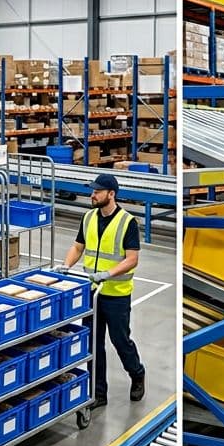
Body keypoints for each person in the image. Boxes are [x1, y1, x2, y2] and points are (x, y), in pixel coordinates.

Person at [62, 173, 145, 406]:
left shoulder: (127, 222)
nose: (92, 195)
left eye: (97, 192)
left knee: (120, 341)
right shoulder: (88, 217)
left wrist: (108, 274)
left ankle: (137, 373)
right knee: (94, 344)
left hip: (116, 295)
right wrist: (66, 266)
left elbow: (132, 259)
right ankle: (98, 394)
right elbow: (78, 247)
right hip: (92, 293)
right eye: (92, 191)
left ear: (111, 194)